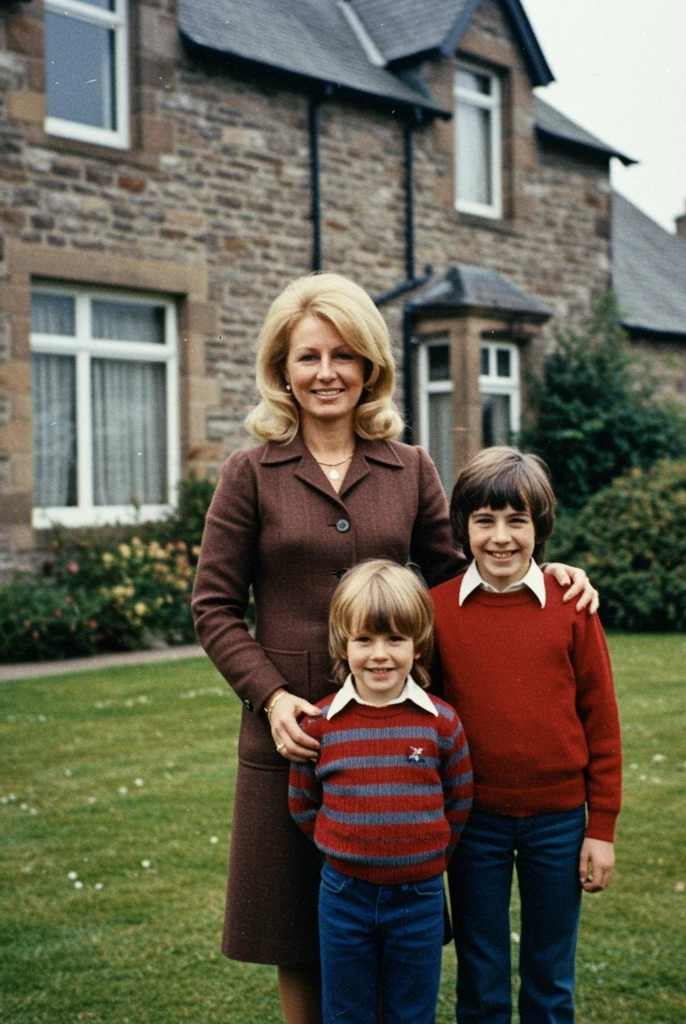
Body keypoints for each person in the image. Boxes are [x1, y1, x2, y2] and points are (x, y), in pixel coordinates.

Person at [190, 273, 598, 1024]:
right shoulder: (247, 474)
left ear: (370, 367)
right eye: (308, 356)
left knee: (396, 922)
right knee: (300, 932)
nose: (325, 373)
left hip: (400, 738)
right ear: (282, 368)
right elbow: (212, 606)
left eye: (343, 356)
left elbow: (458, 583)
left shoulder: (411, 467)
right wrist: (271, 696)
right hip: (295, 737)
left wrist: (545, 570)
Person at [429, 447, 622, 1024]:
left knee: (550, 975)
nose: (501, 537)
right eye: (484, 521)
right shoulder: (437, 611)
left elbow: (602, 722)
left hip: (560, 822)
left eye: (518, 520)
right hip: (473, 823)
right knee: (481, 976)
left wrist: (602, 828)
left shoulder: (572, 607)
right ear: (463, 527)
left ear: (541, 526)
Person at [288, 559, 472, 1024]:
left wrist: (421, 852)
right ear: (342, 644)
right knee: (347, 1012)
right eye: (364, 640)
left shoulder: (441, 723)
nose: (380, 655)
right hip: (344, 896)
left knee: (411, 1013)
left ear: (418, 643)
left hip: (419, 899)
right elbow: (303, 803)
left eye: (395, 639)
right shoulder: (320, 724)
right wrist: (348, 846)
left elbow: (459, 801)